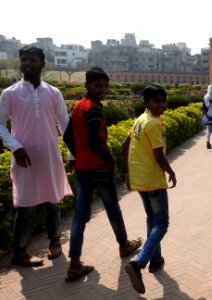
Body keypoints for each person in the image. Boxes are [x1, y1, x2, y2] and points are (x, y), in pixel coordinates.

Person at [65, 67, 142, 281]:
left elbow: (67, 136)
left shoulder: (78, 106)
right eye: (98, 85)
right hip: (99, 168)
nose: (103, 90)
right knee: (112, 208)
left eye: (106, 86)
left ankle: (74, 263)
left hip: (83, 168)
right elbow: (93, 141)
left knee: (80, 216)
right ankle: (124, 244)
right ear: (88, 85)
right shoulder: (94, 109)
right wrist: (110, 158)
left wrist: (78, 155)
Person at [0, 45, 72, 267]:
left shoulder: (53, 93)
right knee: (26, 205)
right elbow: (0, 124)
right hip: (24, 159)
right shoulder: (10, 93)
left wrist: (72, 154)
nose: (27, 63)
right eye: (24, 60)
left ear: (42, 64)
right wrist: (15, 146)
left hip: (49, 157)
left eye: (32, 60)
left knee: (53, 201)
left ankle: (55, 242)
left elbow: (65, 124)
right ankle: (20, 252)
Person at [122, 85, 177, 294]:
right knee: (162, 223)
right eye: (156, 101)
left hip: (140, 181)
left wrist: (128, 173)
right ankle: (140, 263)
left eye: (163, 101)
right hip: (153, 180)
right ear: (146, 104)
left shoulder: (141, 119)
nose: (161, 105)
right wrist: (170, 171)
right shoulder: (153, 122)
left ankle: (155, 259)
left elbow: (125, 143)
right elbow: (159, 155)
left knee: (152, 220)